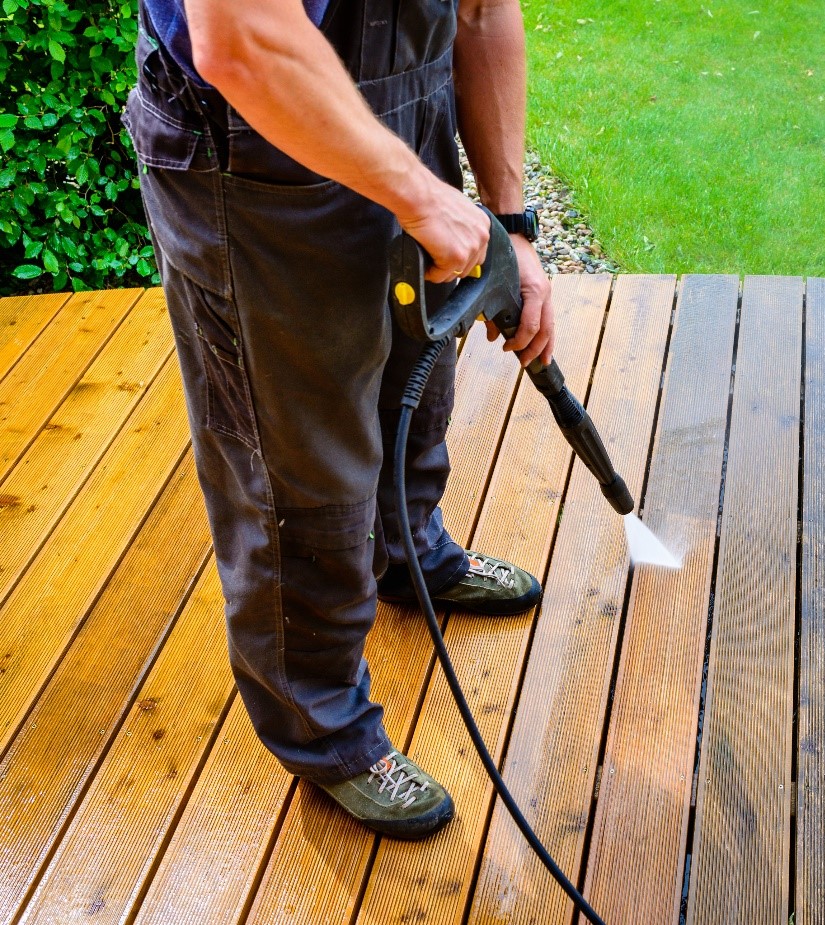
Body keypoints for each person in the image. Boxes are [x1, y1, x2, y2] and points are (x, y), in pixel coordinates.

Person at [123, 0, 552, 840]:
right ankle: (322, 727)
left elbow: (481, 10)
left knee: (414, 372)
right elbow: (243, 42)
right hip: (252, 150)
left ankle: (409, 550)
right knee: (297, 458)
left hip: (404, 115)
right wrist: (420, 195)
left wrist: (508, 225)